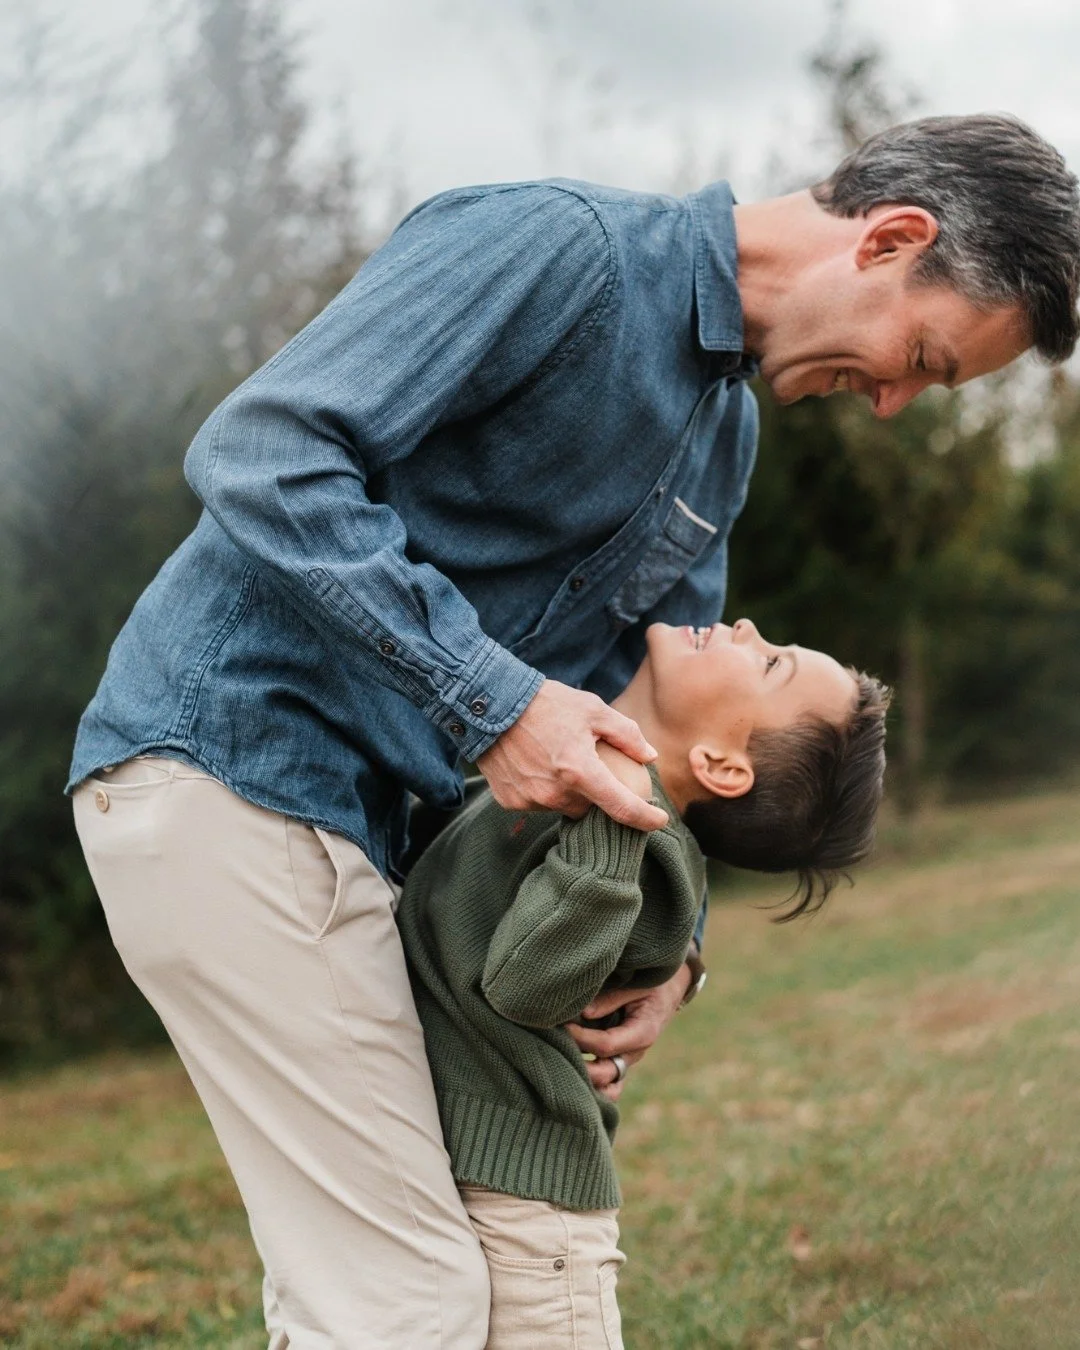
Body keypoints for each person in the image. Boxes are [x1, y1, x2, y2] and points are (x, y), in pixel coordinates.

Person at [69, 114, 1080, 1348]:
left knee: (425, 1284)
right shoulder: (560, 251)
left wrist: (677, 952)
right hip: (227, 774)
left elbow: (670, 738)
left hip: (364, 844)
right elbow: (264, 451)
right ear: (891, 239)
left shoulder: (725, 435)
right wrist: (491, 700)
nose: (891, 405)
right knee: (398, 1301)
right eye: (922, 356)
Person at [397, 618, 890, 1349]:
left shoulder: (650, 860)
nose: (748, 629)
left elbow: (520, 984)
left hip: (532, 1213)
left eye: (769, 663)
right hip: (456, 1174)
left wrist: (615, 821)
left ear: (722, 764)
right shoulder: (556, 781)